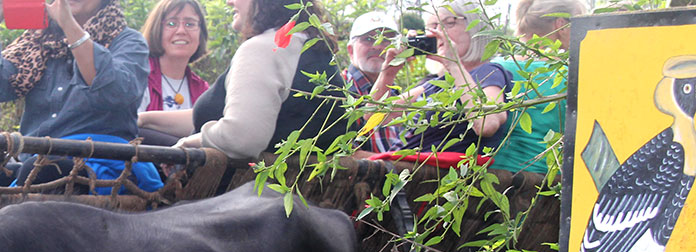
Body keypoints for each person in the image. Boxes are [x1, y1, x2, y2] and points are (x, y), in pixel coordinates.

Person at [0, 0, 149, 185]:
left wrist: (69, 25)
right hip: (33, 160)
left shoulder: (129, 41)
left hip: (101, 163)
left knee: (42, 169)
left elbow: (114, 92)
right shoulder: (36, 42)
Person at [175, 0, 348, 159]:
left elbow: (242, 138)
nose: (229, 1)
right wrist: (148, 119)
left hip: (246, 189)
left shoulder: (265, 48)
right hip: (311, 188)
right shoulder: (312, 48)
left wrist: (189, 142)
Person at [370, 0, 512, 155]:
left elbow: (487, 124)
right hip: (403, 167)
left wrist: (454, 65)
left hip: (443, 172)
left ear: (474, 26)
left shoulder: (488, 72)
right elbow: (373, 116)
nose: (437, 33)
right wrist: (388, 72)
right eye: (432, 27)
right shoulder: (436, 83)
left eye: (448, 23)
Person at [490, 0, 588, 173]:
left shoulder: (497, 68)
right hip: (551, 182)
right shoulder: (572, 74)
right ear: (561, 25)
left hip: (499, 176)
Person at [135, 0, 211, 145]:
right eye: (171, 23)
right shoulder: (139, 76)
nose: (181, 31)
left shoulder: (203, 90)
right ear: (157, 29)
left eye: (190, 24)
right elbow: (130, 131)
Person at [342, 10, 403, 153]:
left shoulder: (395, 92)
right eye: (368, 39)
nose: (378, 46)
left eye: (387, 40)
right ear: (350, 50)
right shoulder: (338, 88)